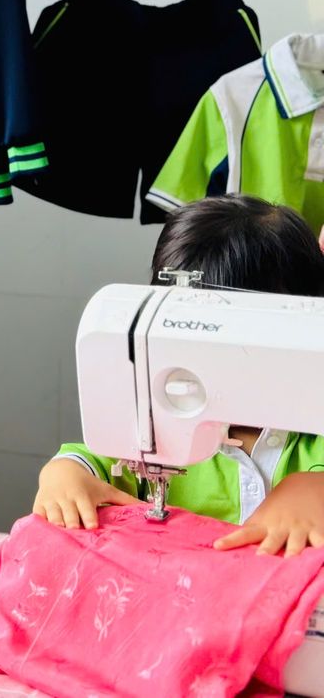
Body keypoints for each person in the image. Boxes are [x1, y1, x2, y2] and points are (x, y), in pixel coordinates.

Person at [33, 194, 324, 555]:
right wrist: (64, 473)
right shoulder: (164, 420)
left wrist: (316, 487)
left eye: (212, 345)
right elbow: (95, 459)